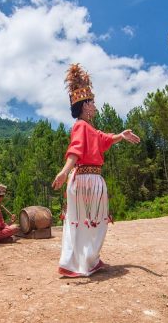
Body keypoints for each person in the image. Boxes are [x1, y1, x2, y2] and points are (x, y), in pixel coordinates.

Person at [51, 64, 140, 277]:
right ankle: (82, 262)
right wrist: (64, 171)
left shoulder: (89, 128)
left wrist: (121, 135)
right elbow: (76, 150)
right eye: (92, 102)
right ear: (85, 105)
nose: (95, 106)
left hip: (87, 180)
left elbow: (104, 139)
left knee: (85, 222)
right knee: (91, 222)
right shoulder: (81, 127)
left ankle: (82, 261)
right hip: (86, 179)